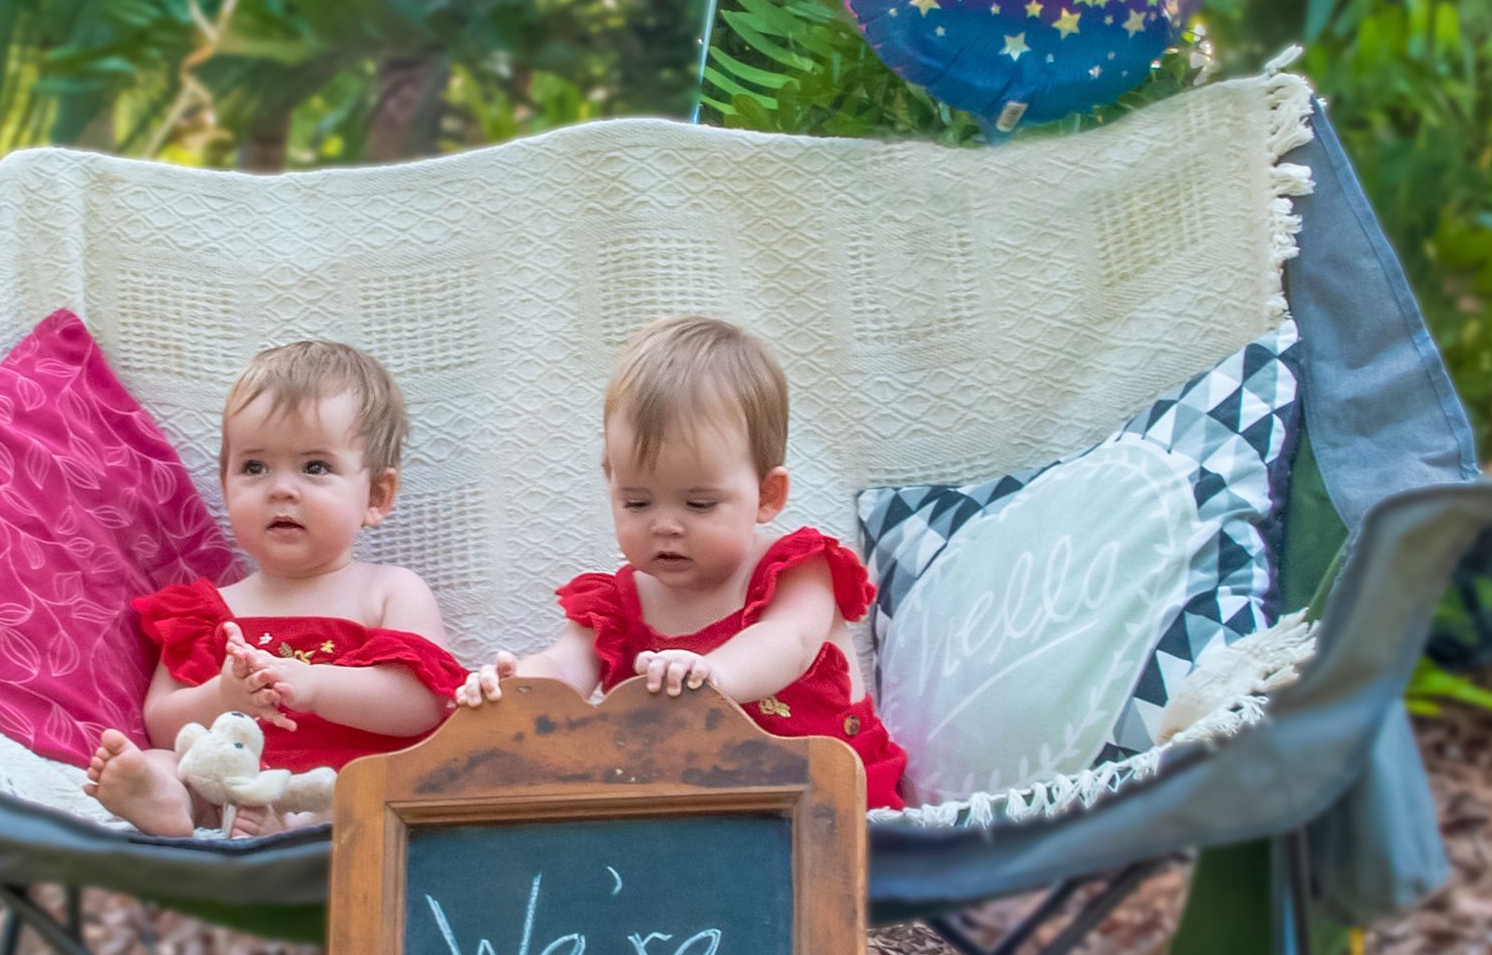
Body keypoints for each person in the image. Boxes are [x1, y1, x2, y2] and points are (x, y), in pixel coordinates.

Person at [457, 314, 907, 809]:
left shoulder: (797, 569)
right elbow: (566, 662)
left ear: (767, 494)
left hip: (832, 801)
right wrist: (517, 686)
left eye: (698, 504)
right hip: (696, 815)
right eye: (637, 503)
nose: (665, 525)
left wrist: (712, 675)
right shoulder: (619, 604)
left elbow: (789, 643)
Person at [87, 340, 462, 837]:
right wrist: (223, 695)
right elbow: (162, 720)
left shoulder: (389, 590)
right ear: (225, 487)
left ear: (376, 495)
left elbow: (423, 704)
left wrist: (315, 685)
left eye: (314, 467)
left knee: (372, 788)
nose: (280, 489)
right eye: (254, 467)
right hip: (233, 781)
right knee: (161, 757)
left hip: (345, 786)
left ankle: (283, 826)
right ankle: (165, 803)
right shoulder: (208, 611)